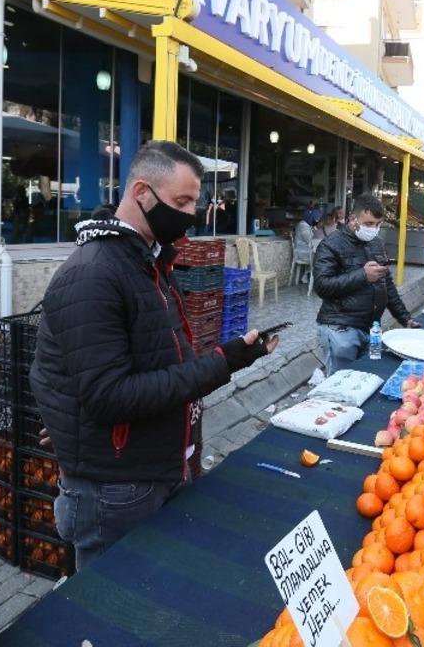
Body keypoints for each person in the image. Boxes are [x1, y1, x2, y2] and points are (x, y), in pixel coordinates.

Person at [29, 141, 276, 569]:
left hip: (153, 470)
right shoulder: (93, 275)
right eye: (182, 201)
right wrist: (223, 363)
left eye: (194, 202)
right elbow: (109, 396)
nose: (190, 214)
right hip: (116, 490)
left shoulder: (148, 262)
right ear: (142, 192)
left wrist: (232, 355)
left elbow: (154, 361)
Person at [313, 195, 421, 375]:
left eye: (378, 224)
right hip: (341, 329)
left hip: (372, 329)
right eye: (369, 224)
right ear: (352, 219)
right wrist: (362, 275)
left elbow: (387, 284)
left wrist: (405, 318)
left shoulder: (376, 243)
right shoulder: (331, 245)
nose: (374, 229)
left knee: (368, 377)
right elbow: (322, 286)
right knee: (341, 384)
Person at [293, 209, 320, 284]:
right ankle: (309, 277)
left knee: (319, 256)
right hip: (301, 253)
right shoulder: (303, 225)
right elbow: (309, 239)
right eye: (315, 219)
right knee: (319, 258)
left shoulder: (307, 225)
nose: (316, 221)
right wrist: (316, 228)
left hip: (306, 250)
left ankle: (306, 275)